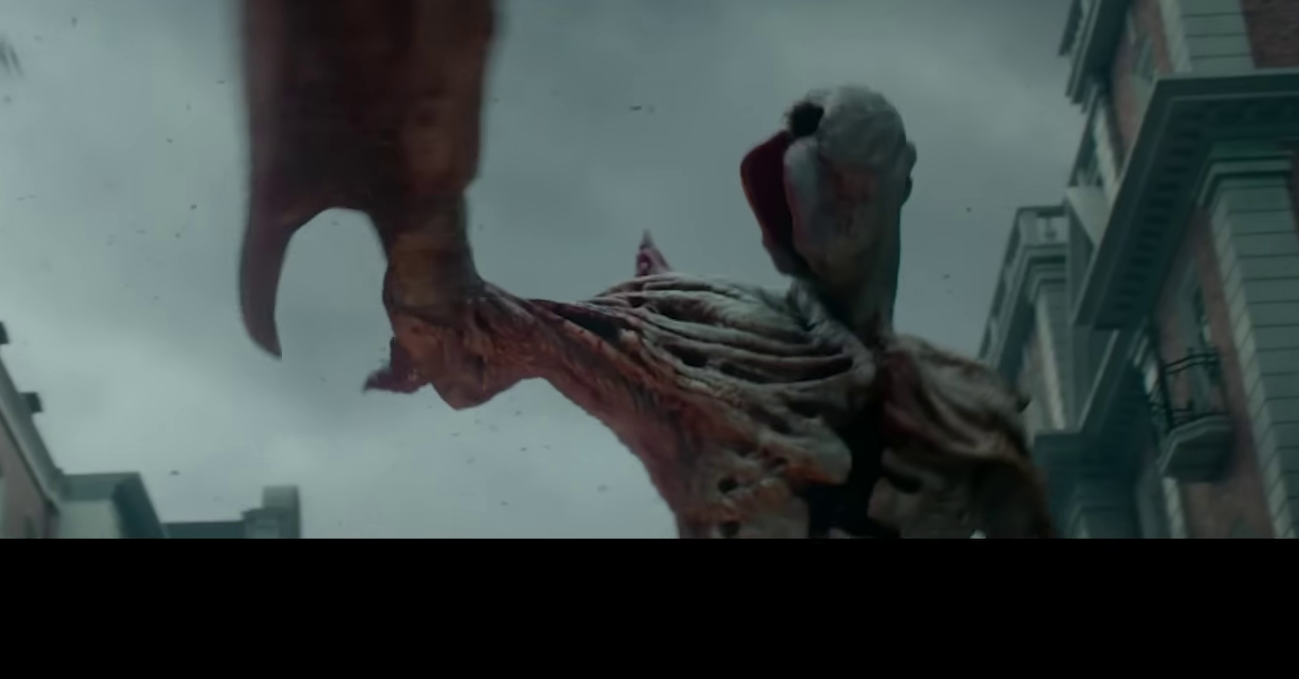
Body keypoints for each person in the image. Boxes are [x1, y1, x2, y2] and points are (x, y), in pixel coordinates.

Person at [364, 86, 1056, 539]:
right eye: (816, 189)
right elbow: (482, 323)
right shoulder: (699, 334)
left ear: (900, 178)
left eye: (852, 185)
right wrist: (420, 184)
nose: (839, 214)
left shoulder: (970, 413)